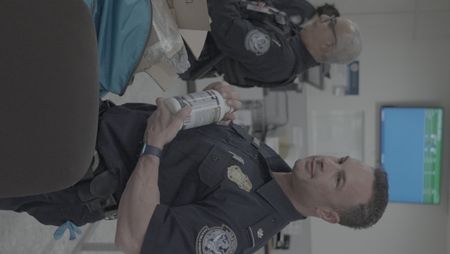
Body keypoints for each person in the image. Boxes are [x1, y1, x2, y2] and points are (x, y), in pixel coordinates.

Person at [0, 82, 387, 254]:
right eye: (341, 160)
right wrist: (213, 100)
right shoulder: (270, 162)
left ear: (327, 214)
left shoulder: (241, 230)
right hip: (84, 120)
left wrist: (153, 146)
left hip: (67, 172)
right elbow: (194, 147)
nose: (327, 163)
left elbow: (135, 239)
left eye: (337, 178)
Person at [181, 0, 361, 88]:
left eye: (330, 23)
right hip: (190, 24)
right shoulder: (291, 36)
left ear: (327, 45)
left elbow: (227, 25)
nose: (323, 17)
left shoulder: (281, 59)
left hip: (182, 46)